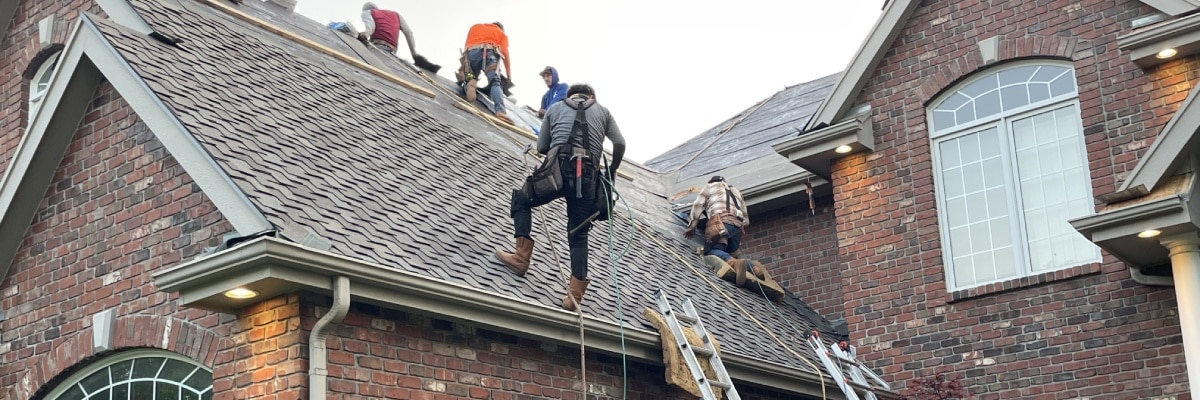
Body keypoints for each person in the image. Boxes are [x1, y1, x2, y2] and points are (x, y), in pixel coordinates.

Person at [495, 84, 626, 311]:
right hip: (587, 178)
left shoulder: (555, 108)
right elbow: (620, 143)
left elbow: (542, 146)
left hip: (556, 172)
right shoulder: (603, 112)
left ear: (570, 96)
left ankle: (521, 258)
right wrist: (612, 170)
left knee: (522, 200)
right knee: (578, 232)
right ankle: (574, 296)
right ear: (591, 97)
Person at [684, 176, 753, 286]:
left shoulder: (709, 187)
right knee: (731, 252)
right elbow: (746, 220)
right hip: (737, 226)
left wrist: (692, 227)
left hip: (721, 223)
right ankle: (754, 269)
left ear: (710, 182)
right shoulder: (736, 191)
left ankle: (734, 263)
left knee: (712, 250)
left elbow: (698, 205)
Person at [462, 22, 514, 124]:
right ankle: (500, 111)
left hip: (471, 55)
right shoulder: (501, 33)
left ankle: (470, 85)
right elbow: (505, 52)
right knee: (495, 82)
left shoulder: (475, 26)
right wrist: (508, 75)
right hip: (489, 53)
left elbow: (466, 47)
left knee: (470, 76)